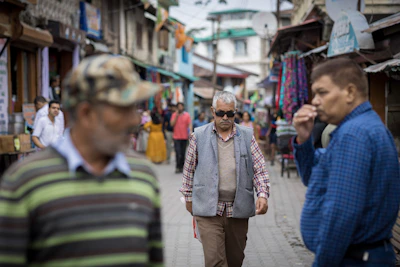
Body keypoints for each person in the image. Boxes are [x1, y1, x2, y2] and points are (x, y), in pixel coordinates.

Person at [0, 55, 163, 266]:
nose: (134, 120)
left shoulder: (144, 175)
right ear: (86, 113)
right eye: (123, 109)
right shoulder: (23, 181)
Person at [292, 58, 400, 266]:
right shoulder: (362, 127)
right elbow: (312, 176)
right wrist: (304, 140)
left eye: (322, 93)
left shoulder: (353, 134)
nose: (314, 101)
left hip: (356, 259)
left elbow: (341, 215)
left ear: (350, 93)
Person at [180, 91, 270, 267]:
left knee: (235, 260)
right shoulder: (198, 136)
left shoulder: (247, 136)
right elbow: (188, 170)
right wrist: (188, 198)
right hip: (208, 209)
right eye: (221, 113)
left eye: (230, 113)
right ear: (213, 112)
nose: (226, 117)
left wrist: (262, 194)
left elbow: (260, 169)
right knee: (215, 261)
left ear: (235, 112)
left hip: (238, 209)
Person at [171, 102, 191, 173]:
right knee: (177, 152)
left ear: (183, 107)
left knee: (182, 153)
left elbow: (189, 124)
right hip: (176, 137)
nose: (180, 108)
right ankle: (177, 166)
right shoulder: (174, 115)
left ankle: (181, 167)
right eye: (178, 107)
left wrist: (190, 132)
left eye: (181, 106)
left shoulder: (187, 115)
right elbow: (172, 124)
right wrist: (176, 116)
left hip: (184, 137)